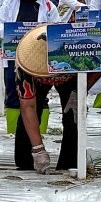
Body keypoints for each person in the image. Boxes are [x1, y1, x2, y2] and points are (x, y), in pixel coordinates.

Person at [0, 0, 59, 134]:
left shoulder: (49, 7)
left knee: (40, 95)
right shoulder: (9, 3)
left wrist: (40, 37)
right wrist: (11, 34)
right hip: (14, 56)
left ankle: (40, 134)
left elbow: (57, 29)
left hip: (39, 59)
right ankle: (13, 134)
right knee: (13, 94)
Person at [13, 25, 81, 173]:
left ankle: (70, 163)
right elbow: (28, 107)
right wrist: (38, 150)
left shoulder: (80, 52)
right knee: (32, 113)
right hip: (36, 82)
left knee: (75, 115)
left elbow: (98, 69)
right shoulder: (24, 65)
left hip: (71, 78)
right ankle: (27, 161)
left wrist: (80, 91)